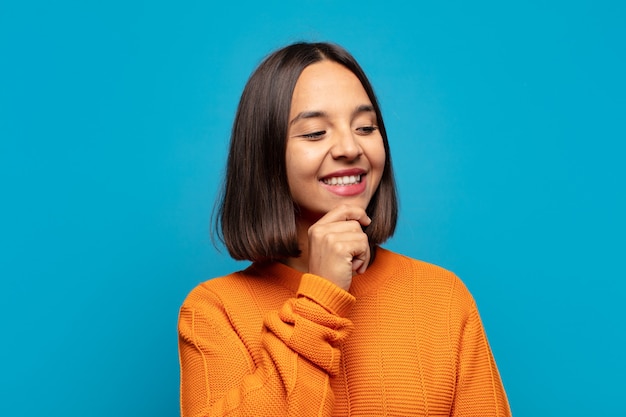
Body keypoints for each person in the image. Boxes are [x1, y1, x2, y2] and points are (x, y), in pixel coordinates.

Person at [178, 41, 511, 417]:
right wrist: (320, 300)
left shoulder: (443, 298)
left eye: (365, 127)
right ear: (265, 154)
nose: (350, 147)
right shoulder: (213, 311)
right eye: (315, 133)